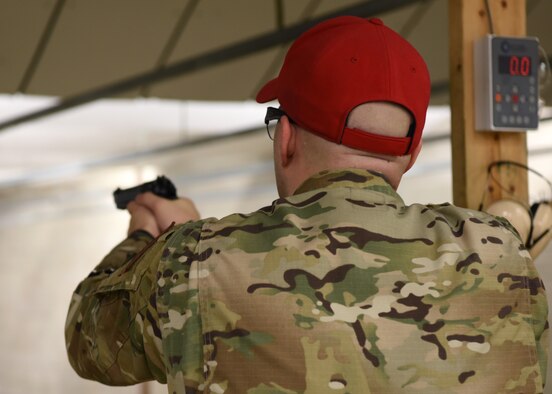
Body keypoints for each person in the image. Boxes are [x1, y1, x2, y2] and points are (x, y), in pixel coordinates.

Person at [65, 16, 548, 393]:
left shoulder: (199, 261)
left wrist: (151, 239)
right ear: (411, 153)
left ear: (287, 138)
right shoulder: (498, 252)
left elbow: (87, 337)